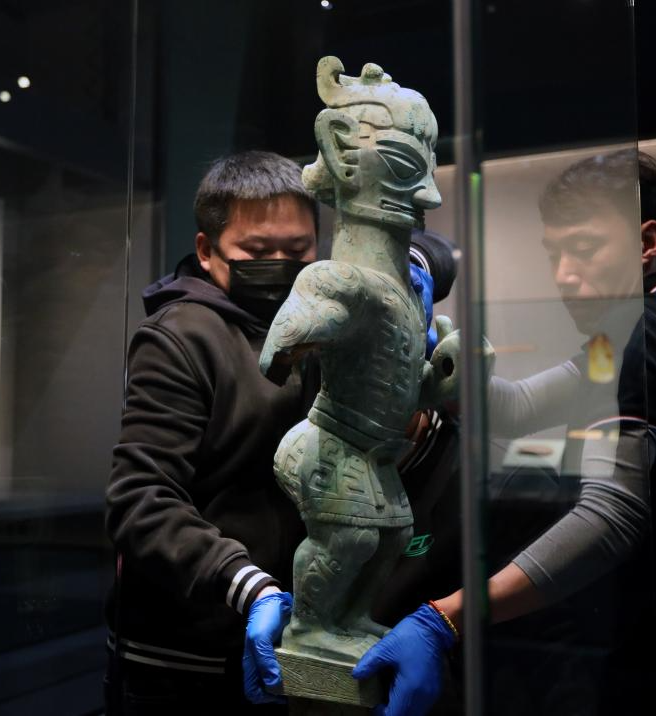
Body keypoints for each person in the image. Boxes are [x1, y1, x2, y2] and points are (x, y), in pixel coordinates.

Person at [355, 150, 656, 715]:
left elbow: (611, 514)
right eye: (555, 254)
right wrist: (444, 372)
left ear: (647, 243)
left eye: (584, 248)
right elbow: (521, 406)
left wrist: (447, 615)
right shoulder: (644, 331)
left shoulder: (647, 340)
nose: (563, 275)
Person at [104, 150, 456, 714]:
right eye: (256, 252)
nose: (278, 265)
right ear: (206, 251)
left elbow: (432, 248)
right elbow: (140, 500)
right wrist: (248, 585)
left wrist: (404, 268)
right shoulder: (179, 338)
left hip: (298, 638)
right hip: (186, 658)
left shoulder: (328, 309)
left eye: (296, 251)